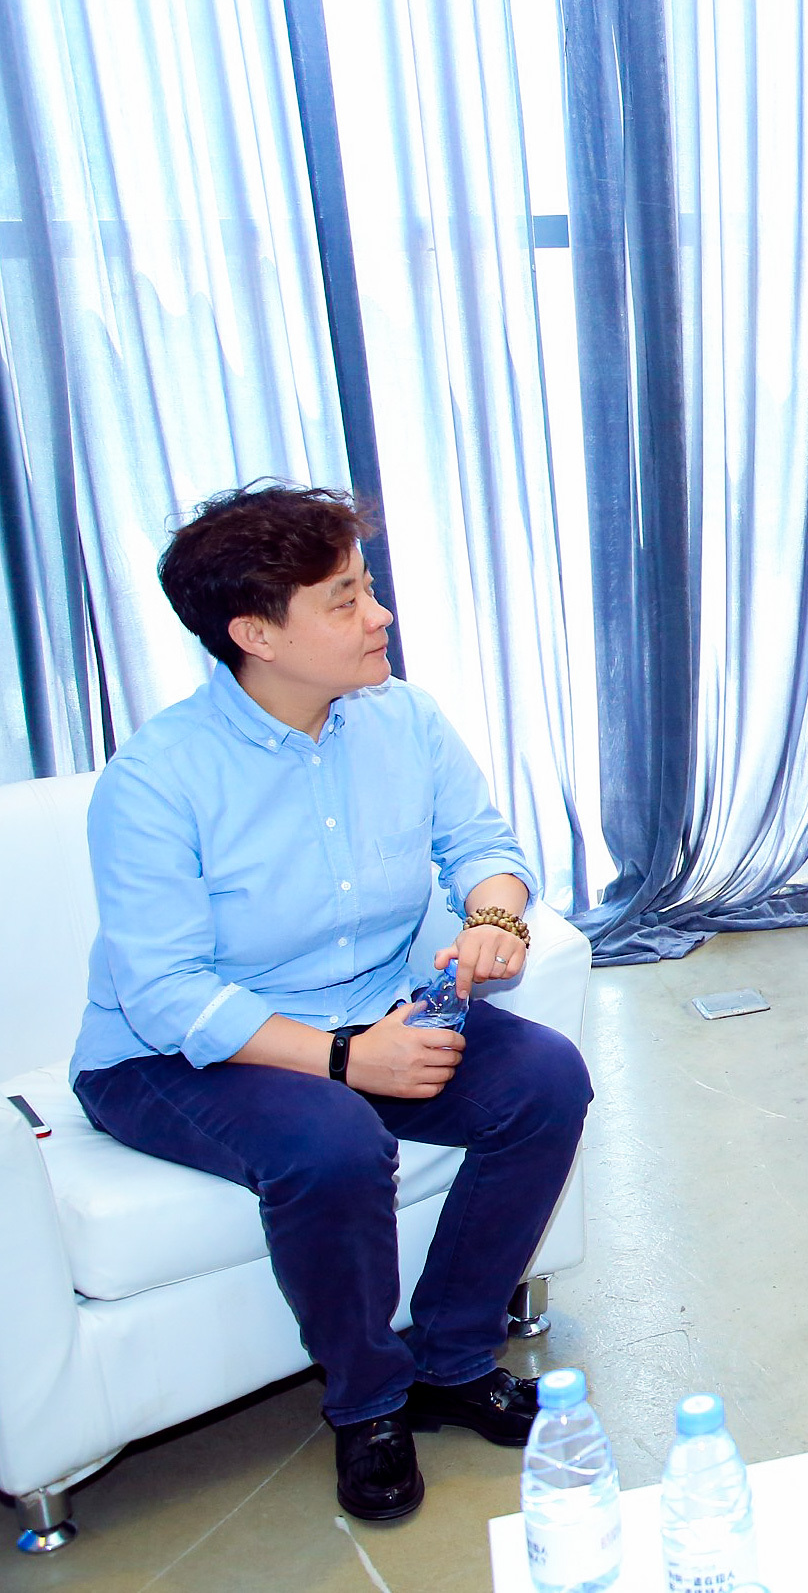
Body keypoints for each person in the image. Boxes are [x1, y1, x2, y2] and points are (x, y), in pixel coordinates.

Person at [71, 485, 592, 1523]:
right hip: (173, 1056)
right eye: (346, 599)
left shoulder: (403, 718)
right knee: (332, 1141)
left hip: (375, 1010)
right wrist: (350, 1058)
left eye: (369, 587)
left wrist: (497, 917)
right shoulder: (157, 780)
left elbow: (482, 845)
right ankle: (369, 1402)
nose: (379, 614)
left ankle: (451, 1355)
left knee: (544, 1078)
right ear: (256, 634)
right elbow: (167, 993)